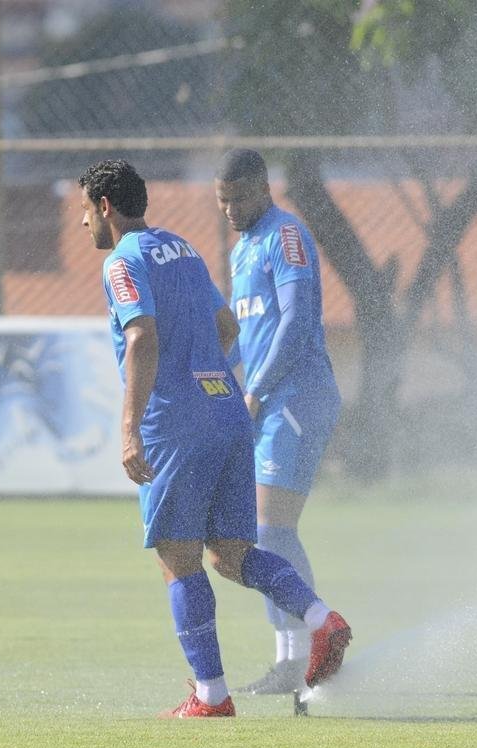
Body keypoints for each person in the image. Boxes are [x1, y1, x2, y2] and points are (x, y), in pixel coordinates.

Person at [79, 158, 351, 718]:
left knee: (178, 558)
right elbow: (227, 328)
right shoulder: (182, 248)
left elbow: (141, 338)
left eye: (86, 211)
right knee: (232, 553)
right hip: (228, 412)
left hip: (176, 421)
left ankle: (211, 695)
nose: (84, 224)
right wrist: (211, 378)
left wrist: (129, 427)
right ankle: (323, 619)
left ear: (105, 207)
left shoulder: (121, 262)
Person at [214, 149, 344, 695]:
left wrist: (254, 390)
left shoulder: (284, 235)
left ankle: (306, 653)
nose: (230, 210)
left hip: (297, 395)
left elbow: (295, 322)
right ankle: (295, 654)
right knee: (261, 531)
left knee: (270, 528)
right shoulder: (243, 249)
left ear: (263, 188)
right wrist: (217, 383)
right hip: (268, 399)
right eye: (222, 201)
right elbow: (246, 337)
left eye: (239, 198)